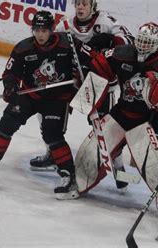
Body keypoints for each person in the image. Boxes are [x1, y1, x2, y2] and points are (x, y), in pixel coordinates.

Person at [0, 10, 88, 200]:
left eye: (44, 30)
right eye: (37, 30)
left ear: (52, 29)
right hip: (30, 94)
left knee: (52, 134)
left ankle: (68, 175)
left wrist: (81, 76)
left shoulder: (68, 43)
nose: (40, 34)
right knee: (6, 124)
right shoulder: (23, 48)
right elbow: (11, 73)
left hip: (57, 98)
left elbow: (87, 61)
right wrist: (10, 87)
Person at [75, 22, 158, 206]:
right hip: (122, 112)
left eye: (148, 42)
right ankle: (79, 182)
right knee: (89, 152)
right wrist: (91, 98)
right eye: (140, 41)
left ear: (157, 44)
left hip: (151, 120)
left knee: (155, 168)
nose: (143, 45)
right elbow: (99, 67)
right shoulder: (122, 53)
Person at [29, 0, 134, 177]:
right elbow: (50, 46)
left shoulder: (106, 22)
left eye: (84, 4)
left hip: (99, 84)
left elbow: (129, 42)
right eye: (77, 3)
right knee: (46, 114)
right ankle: (53, 153)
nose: (80, 7)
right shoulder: (65, 24)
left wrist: (110, 39)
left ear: (92, 6)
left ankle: (118, 166)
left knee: (106, 126)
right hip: (71, 82)